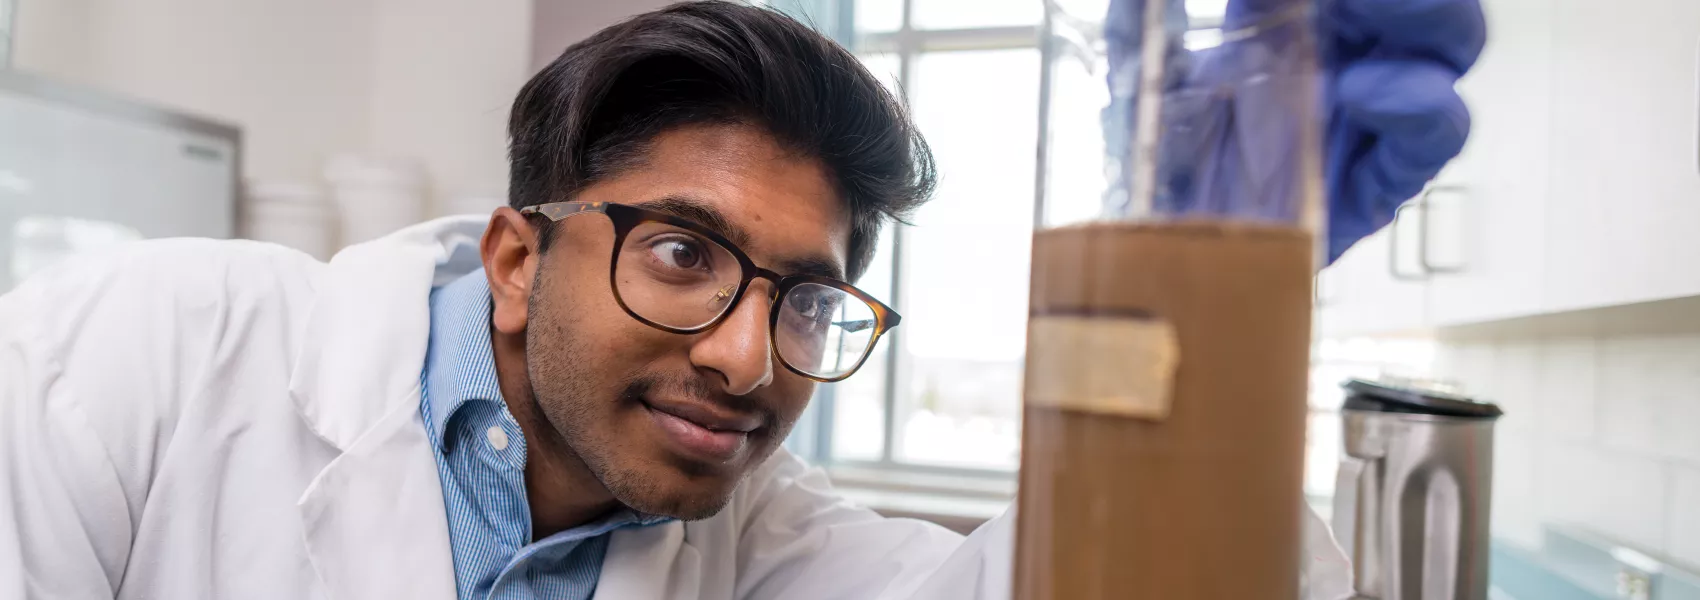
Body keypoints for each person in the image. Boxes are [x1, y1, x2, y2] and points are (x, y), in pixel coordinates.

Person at [0, 1, 1483, 598]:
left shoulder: (767, 550)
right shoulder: (144, 351)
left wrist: (1196, 298)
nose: (740, 357)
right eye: (683, 252)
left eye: (805, 302)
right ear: (519, 259)